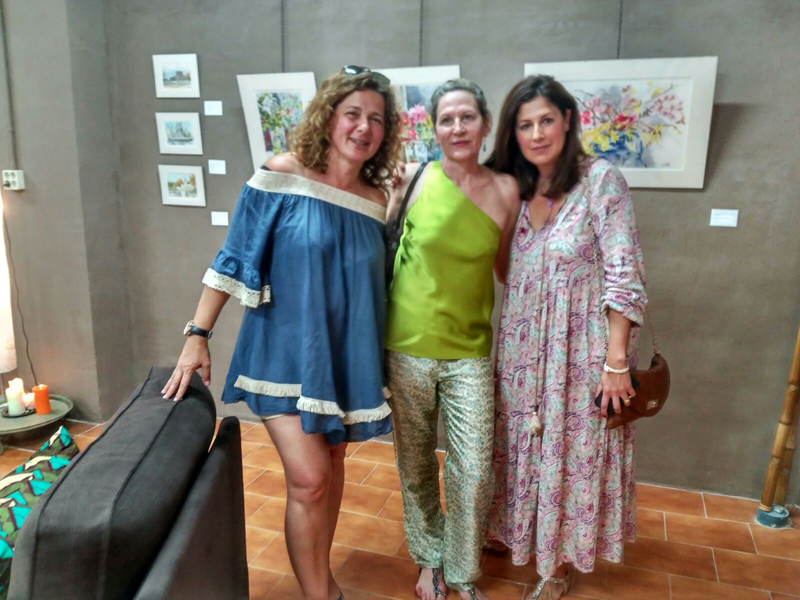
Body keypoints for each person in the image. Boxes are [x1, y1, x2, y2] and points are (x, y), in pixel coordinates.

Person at [162, 67, 401, 600]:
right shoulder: (281, 173)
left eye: (376, 119)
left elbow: (379, 285)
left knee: (331, 470)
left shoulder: (376, 200)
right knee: (310, 479)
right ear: (330, 117)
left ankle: (321, 574)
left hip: (342, 360)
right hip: (282, 352)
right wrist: (197, 333)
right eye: (353, 114)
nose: (364, 127)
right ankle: (322, 594)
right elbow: (234, 256)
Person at [484, 75, 648, 600]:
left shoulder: (600, 180)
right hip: (522, 347)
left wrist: (616, 362)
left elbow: (625, 272)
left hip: (580, 353)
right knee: (519, 447)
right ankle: (518, 532)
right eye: (525, 124)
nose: (536, 134)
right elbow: (511, 273)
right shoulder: (517, 189)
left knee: (569, 452)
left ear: (568, 121)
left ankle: (557, 565)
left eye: (545, 121)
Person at [385, 79, 520, 600]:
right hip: (407, 345)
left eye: (467, 117)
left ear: (484, 125)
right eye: (447, 119)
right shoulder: (414, 179)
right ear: (434, 128)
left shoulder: (507, 191)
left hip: (470, 351)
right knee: (415, 462)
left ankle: (462, 573)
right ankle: (428, 561)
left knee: (474, 469)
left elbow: (509, 270)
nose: (457, 127)